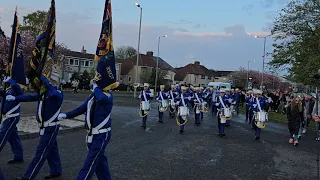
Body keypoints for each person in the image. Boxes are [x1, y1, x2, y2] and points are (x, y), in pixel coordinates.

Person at [58, 55, 117, 179]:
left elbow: (101, 98)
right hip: (92, 134)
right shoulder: (93, 96)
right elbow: (82, 108)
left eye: (96, 81)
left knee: (88, 164)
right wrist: (66, 115)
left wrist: (96, 89)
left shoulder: (107, 96)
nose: (94, 82)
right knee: (101, 163)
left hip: (101, 134)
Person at [9, 72, 63, 180]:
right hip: (45, 127)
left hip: (50, 127)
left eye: (51, 80)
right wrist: (15, 98)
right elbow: (29, 97)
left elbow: (53, 94)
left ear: (55, 82)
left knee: (40, 154)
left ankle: (28, 177)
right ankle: (56, 170)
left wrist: (47, 81)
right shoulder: (45, 93)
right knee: (52, 150)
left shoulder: (57, 93)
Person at [0, 76, 25, 165]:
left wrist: (10, 80)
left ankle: (18, 155)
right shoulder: (9, 89)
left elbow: (16, 87)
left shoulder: (18, 89)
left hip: (12, 117)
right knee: (13, 138)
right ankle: (18, 156)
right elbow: (3, 93)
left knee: (2, 135)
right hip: (7, 116)